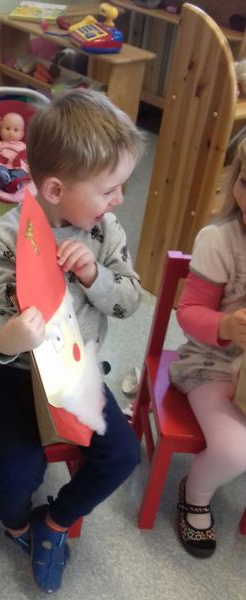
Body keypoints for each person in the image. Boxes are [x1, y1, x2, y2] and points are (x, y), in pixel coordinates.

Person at [0, 89, 144, 593]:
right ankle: (17, 525)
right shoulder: (4, 238)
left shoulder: (106, 231)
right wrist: (13, 335)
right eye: (109, 189)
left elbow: (129, 301)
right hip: (12, 376)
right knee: (14, 476)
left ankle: (54, 522)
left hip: (75, 370)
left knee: (123, 454)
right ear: (53, 189)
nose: (119, 200)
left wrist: (95, 278)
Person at [169, 136, 246, 559]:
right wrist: (226, 325)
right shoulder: (220, 241)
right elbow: (189, 313)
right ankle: (196, 494)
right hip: (211, 363)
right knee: (236, 450)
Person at [0, 111, 29, 193]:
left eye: (15, 130)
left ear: (22, 134)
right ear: (1, 130)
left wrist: (29, 166)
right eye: (7, 129)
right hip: (1, 164)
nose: (11, 133)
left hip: (18, 167)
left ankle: (14, 183)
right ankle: (0, 177)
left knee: (21, 173)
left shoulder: (23, 146)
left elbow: (28, 156)